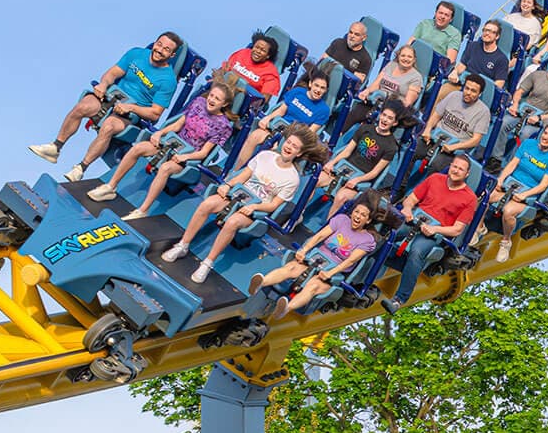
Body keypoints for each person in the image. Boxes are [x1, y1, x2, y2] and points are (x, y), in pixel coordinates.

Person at [162, 124, 329, 284]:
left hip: (257, 210)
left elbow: (273, 206)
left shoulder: (292, 178)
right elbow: (243, 176)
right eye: (289, 142)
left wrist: (255, 207)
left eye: (295, 147)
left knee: (233, 221)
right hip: (240, 195)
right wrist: (227, 186)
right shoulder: (265, 156)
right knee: (207, 204)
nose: (289, 147)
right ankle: (183, 245)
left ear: (299, 154)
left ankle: (207, 263)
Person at [30, 31, 184, 181]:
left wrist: (131, 108)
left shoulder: (168, 80)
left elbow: (155, 113)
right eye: (159, 44)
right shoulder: (136, 54)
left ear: (172, 56)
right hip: (112, 97)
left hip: (132, 113)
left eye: (166, 49)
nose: (160, 50)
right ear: (155, 43)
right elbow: (112, 73)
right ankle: (55, 147)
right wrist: (103, 84)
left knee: (109, 126)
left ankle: (81, 168)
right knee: (83, 106)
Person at [88, 77, 238, 217]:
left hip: (188, 158)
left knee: (165, 168)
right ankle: (110, 187)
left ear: (224, 104)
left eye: (217, 99)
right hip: (172, 143)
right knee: (138, 148)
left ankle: (142, 210)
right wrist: (160, 133)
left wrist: (184, 157)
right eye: (211, 95)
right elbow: (178, 124)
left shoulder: (223, 126)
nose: (211, 100)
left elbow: (204, 153)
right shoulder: (199, 103)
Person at [249, 190, 386, 318]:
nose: (358, 216)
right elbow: (319, 236)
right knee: (292, 268)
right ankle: (261, 282)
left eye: (363, 215)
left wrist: (330, 273)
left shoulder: (367, 240)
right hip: (317, 257)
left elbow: (350, 261)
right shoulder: (342, 220)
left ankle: (286, 308)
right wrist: (304, 249)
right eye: (356, 212)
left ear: (368, 221)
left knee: (313, 285)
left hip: (335, 270)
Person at [383, 154, 480, 311]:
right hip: (415, 220)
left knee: (417, 251)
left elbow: (457, 229)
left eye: (460, 169)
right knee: (385, 235)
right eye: (454, 166)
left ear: (467, 174)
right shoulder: (435, 179)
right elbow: (411, 199)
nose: (456, 171)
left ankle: (399, 300)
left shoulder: (469, 199)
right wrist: (407, 209)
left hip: (435, 232)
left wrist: (435, 229)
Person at [489, 122, 548, 263]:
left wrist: (525, 195)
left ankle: (506, 241)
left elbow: (544, 185)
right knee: (486, 197)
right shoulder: (528, 144)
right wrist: (500, 179)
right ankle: (479, 227)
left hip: (527, 193)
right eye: (545, 133)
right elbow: (512, 164)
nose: (546, 137)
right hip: (511, 184)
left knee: (508, 211)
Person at [233, 68, 332, 169]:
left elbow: (309, 133)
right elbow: (281, 110)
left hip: (294, 139)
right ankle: (235, 171)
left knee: (275, 150)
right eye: (316, 85)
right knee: (254, 136)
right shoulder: (297, 92)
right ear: (310, 84)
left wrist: (288, 142)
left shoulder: (324, 110)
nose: (318, 90)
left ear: (326, 90)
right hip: (277, 129)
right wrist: (268, 118)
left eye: (322, 88)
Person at [320, 103, 404, 207]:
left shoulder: (391, 146)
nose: (385, 119)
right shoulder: (365, 128)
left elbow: (375, 172)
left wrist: (357, 180)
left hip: (361, 178)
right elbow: (347, 151)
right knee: (317, 179)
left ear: (395, 123)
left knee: (340, 197)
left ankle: (332, 223)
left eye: (390, 118)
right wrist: (331, 163)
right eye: (384, 115)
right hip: (343, 168)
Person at [420, 73, 492, 175]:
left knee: (436, 165)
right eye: (467, 88)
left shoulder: (484, 112)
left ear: (479, 94)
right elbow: (436, 115)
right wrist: (427, 130)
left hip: (454, 149)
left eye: (473, 91)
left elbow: (476, 140)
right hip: (435, 138)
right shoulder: (453, 95)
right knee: (414, 149)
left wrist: (455, 147)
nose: (468, 93)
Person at [342, 43, 424, 130]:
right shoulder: (391, 65)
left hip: (393, 110)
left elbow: (407, 103)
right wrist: (367, 91)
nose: (406, 59)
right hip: (376, 101)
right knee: (356, 112)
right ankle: (337, 138)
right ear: (398, 56)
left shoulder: (416, 78)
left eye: (409, 57)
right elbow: (376, 84)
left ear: (414, 59)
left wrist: (388, 99)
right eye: (403, 55)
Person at [219, 31, 282, 100]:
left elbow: (263, 100)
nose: (257, 51)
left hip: (242, 101)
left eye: (263, 50)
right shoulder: (242, 53)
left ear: (268, 56)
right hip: (221, 90)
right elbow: (224, 69)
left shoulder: (271, 73)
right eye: (256, 47)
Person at [453, 20, 512, 89]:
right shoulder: (472, 46)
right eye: (485, 30)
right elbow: (461, 67)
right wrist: (455, 72)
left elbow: (498, 85)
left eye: (491, 32)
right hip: (463, 83)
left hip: (479, 92)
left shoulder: (502, 59)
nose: (487, 33)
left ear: (497, 36)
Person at [409, 1, 463, 66]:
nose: (442, 16)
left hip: (432, 67)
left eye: (446, 15)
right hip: (412, 60)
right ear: (435, 13)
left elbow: (449, 61)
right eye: (440, 13)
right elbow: (409, 44)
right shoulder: (425, 24)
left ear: (451, 19)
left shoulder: (455, 34)